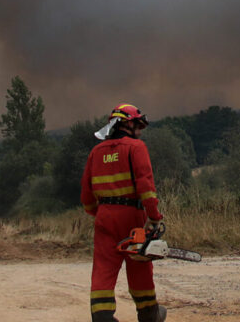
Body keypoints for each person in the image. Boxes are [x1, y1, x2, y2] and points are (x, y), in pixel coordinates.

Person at [81, 103, 168, 322]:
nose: (139, 130)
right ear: (127, 123)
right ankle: (149, 315)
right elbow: (146, 188)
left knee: (103, 268)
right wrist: (154, 217)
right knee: (139, 266)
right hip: (132, 217)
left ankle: (102, 316)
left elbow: (86, 196)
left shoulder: (96, 152)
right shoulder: (136, 148)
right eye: (138, 124)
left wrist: (100, 214)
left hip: (104, 216)